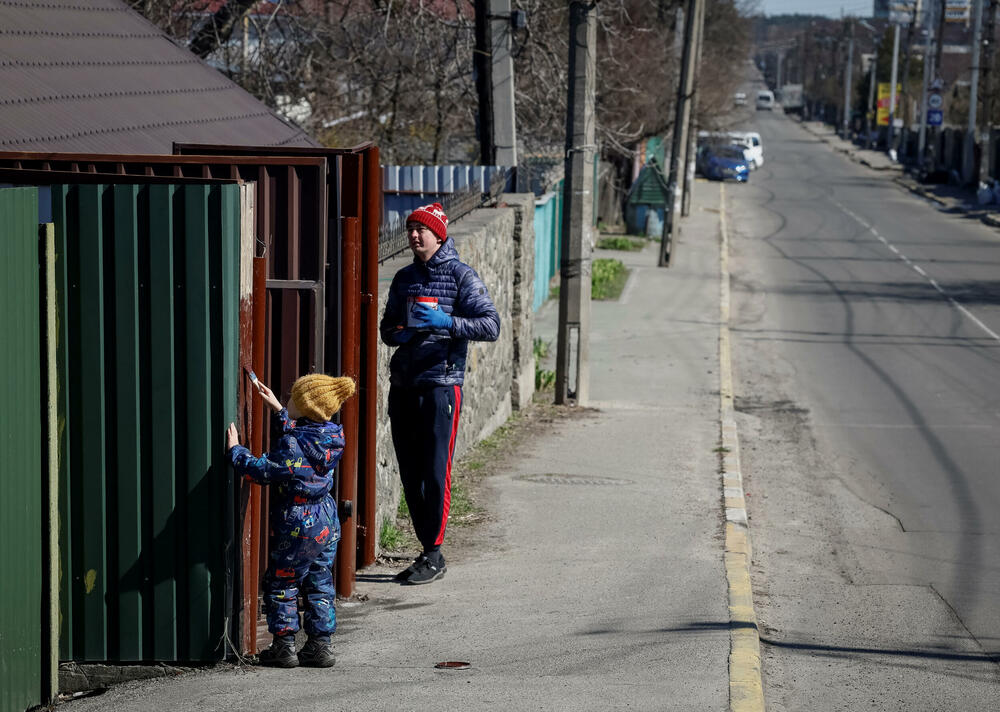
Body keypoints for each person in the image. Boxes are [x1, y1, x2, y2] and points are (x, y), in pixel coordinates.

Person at [379, 202, 501, 585]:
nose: (415, 235)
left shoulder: (462, 277)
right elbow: (386, 330)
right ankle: (426, 549)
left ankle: (434, 553)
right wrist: (402, 332)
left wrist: (446, 322)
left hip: (441, 386)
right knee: (410, 472)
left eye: (422, 230)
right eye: (411, 229)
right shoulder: (403, 279)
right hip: (404, 386)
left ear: (439, 234)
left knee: (434, 471)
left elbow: (490, 325)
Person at [225, 374, 356, 668]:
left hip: (299, 521)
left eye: (291, 398)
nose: (286, 400)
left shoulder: (293, 445)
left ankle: (284, 646)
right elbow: (304, 444)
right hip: (326, 518)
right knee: (319, 579)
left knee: (282, 580)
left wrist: (236, 452)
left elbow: (265, 469)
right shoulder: (332, 437)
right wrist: (279, 411)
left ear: (304, 407)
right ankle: (320, 647)